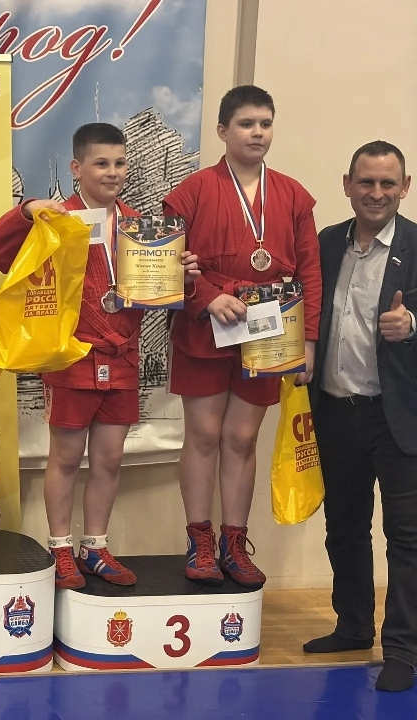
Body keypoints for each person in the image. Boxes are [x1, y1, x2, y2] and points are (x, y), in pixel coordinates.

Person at [0, 123, 199, 589]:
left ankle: (95, 547)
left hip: (123, 354)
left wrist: (181, 277)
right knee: (65, 457)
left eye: (120, 163)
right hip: (73, 355)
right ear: (76, 168)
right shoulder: (56, 218)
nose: (112, 172)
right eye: (101, 163)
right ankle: (60, 548)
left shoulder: (143, 227)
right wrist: (26, 212)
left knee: (109, 459)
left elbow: (158, 294)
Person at [163, 85, 322, 588]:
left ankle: (234, 542)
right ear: (222, 131)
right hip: (206, 328)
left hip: (270, 328)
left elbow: (310, 271)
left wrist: (309, 340)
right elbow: (166, 264)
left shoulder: (293, 195)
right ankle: (199, 539)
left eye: (265, 124)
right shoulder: (192, 191)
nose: (257, 133)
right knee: (204, 435)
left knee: (242, 437)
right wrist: (206, 297)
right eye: (247, 124)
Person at [303, 141, 417, 693]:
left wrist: (413, 326)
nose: (376, 193)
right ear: (347, 184)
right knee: (344, 527)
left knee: (406, 538)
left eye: (387, 183)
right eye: (366, 182)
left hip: (398, 416)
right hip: (335, 409)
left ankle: (403, 649)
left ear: (405, 187)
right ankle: (352, 626)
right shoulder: (326, 243)